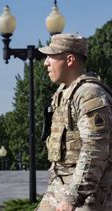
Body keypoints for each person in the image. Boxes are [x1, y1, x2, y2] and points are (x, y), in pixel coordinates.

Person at [37, 33, 112, 211]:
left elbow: (95, 149)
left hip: (90, 194)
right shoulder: (62, 93)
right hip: (59, 188)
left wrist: (72, 196)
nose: (46, 62)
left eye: (51, 56)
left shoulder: (89, 94)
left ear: (69, 59)